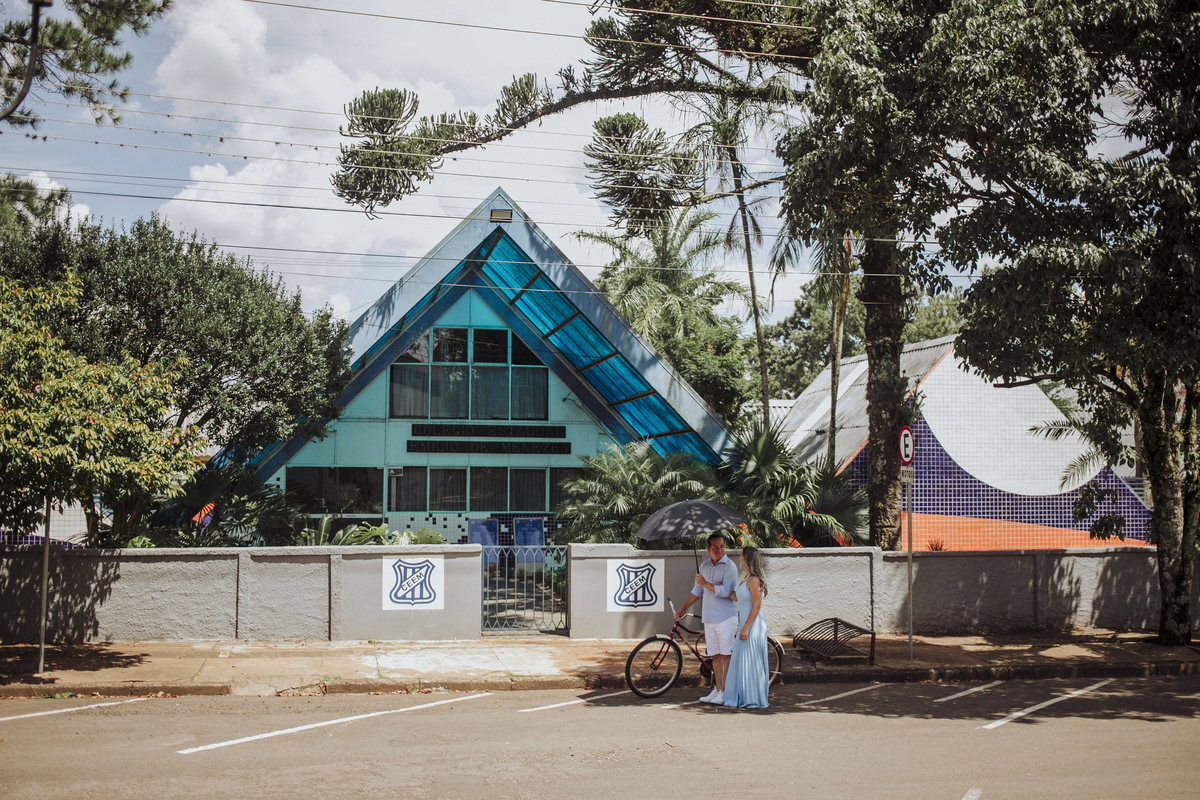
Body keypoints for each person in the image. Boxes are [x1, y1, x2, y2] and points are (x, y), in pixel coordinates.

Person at [674, 533, 737, 704]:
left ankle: (725, 692)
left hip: (725, 617)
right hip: (709, 618)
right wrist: (683, 608)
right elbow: (697, 591)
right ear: (708, 549)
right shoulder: (704, 566)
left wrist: (706, 584)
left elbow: (726, 591)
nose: (719, 550)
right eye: (715, 547)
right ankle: (717, 689)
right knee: (715, 655)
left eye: (721, 546)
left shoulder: (730, 566)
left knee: (725, 655)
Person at [723, 546, 769, 709]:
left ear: (748, 559)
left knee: (751, 661)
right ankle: (743, 695)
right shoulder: (747, 578)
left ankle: (752, 698)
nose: (740, 558)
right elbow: (738, 598)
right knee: (743, 660)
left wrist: (746, 627)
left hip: (753, 625)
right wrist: (718, 588)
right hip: (746, 624)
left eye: (742, 555)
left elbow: (756, 606)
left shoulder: (755, 580)